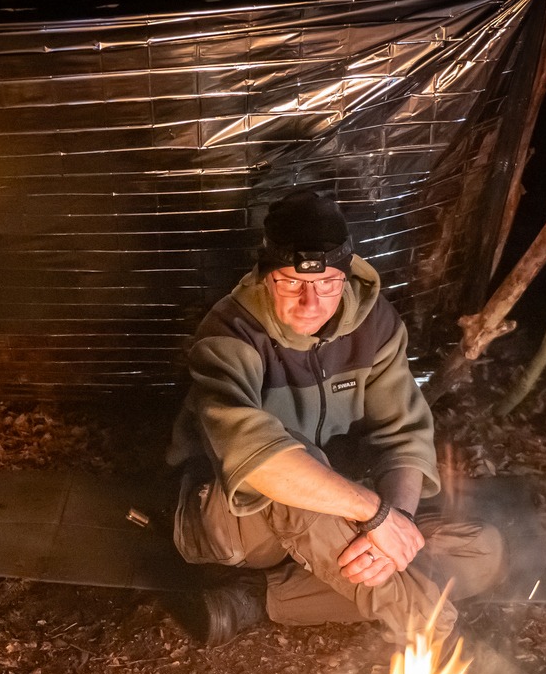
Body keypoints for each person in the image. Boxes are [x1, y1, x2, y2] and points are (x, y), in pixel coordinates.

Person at [166, 190, 506, 645]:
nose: (311, 302)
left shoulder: (375, 325)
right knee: (291, 463)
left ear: (344, 278)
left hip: (337, 518)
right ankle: (444, 644)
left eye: (327, 283)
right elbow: (258, 458)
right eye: (292, 283)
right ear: (267, 276)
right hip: (235, 521)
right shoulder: (231, 333)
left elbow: (405, 437)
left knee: (481, 552)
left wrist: (395, 521)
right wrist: (374, 512)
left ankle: (258, 599)